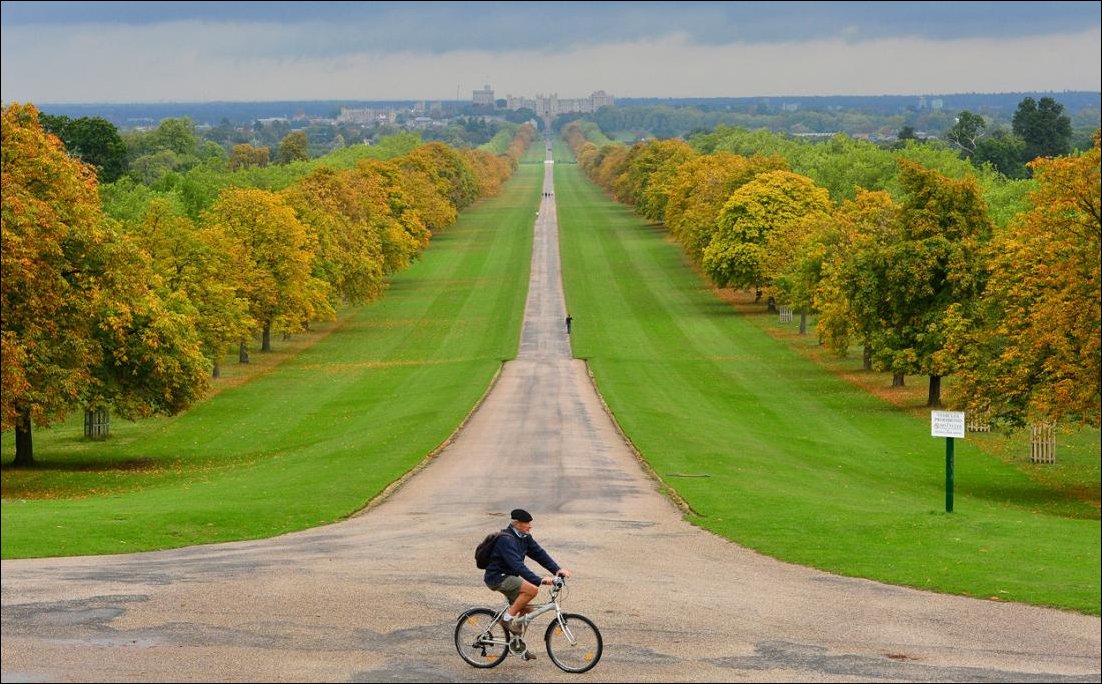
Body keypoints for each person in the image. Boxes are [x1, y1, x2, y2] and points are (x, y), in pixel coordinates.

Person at [484, 509, 572, 656]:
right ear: (517, 524)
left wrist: (557, 570)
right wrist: (540, 580)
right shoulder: (506, 539)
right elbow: (518, 566)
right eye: (527, 523)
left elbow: (539, 553)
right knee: (532, 590)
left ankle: (518, 646)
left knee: (527, 611)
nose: (530, 526)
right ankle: (506, 620)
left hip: (510, 576)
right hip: (497, 577)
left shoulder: (524, 537)